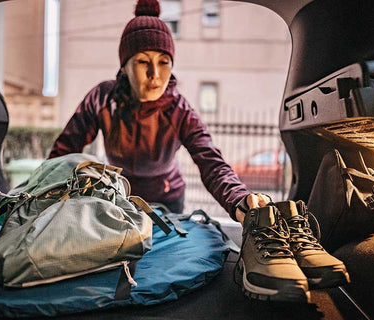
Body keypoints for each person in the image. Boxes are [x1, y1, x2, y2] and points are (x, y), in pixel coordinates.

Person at [49, 0, 349, 303]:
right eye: (142, 61)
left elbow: (211, 162)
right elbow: (64, 152)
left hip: (167, 201)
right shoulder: (102, 98)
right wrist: (37, 197)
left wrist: (239, 200)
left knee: (159, 265)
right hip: (118, 202)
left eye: (164, 61)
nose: (155, 73)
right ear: (124, 66)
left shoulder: (180, 110)